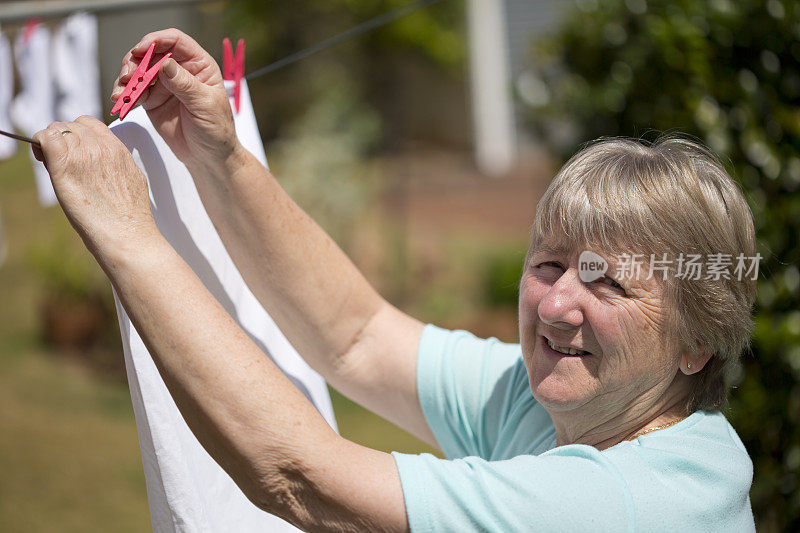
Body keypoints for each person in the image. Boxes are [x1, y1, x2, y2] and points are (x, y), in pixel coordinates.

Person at [32, 29, 757, 531]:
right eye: (548, 263)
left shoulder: (629, 502)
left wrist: (129, 234)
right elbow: (358, 336)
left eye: (608, 284)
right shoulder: (557, 403)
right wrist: (218, 157)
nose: (557, 303)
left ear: (697, 342)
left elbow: (298, 477)